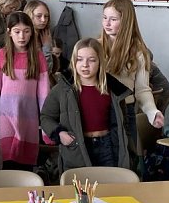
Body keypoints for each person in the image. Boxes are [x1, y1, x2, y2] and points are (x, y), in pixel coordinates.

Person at [41, 38, 130, 172]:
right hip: (77, 147)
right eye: (80, 59)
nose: (85, 65)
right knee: (80, 190)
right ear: (73, 61)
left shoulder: (112, 89)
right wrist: (59, 133)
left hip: (108, 146)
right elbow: (46, 116)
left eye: (92, 60)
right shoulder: (63, 88)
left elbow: (124, 121)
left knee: (109, 188)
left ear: (100, 61)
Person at [0, 11, 49, 169]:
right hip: (6, 116)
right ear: (9, 32)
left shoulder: (38, 57)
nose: (22, 36)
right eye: (17, 32)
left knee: (27, 164)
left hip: (28, 118)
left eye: (26, 31)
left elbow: (44, 95)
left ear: (32, 32)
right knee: (9, 162)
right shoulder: (0, 56)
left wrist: (46, 126)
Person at [100, 0, 163, 151]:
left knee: (126, 160)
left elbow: (142, 89)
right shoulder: (95, 46)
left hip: (124, 112)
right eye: (104, 18)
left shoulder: (139, 52)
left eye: (113, 19)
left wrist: (152, 112)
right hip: (99, 111)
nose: (107, 23)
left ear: (126, 21)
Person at [24, 0, 56, 74]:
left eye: (46, 16)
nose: (43, 20)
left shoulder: (44, 34)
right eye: (39, 16)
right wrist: (47, 47)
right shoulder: (25, 38)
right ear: (29, 16)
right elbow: (44, 69)